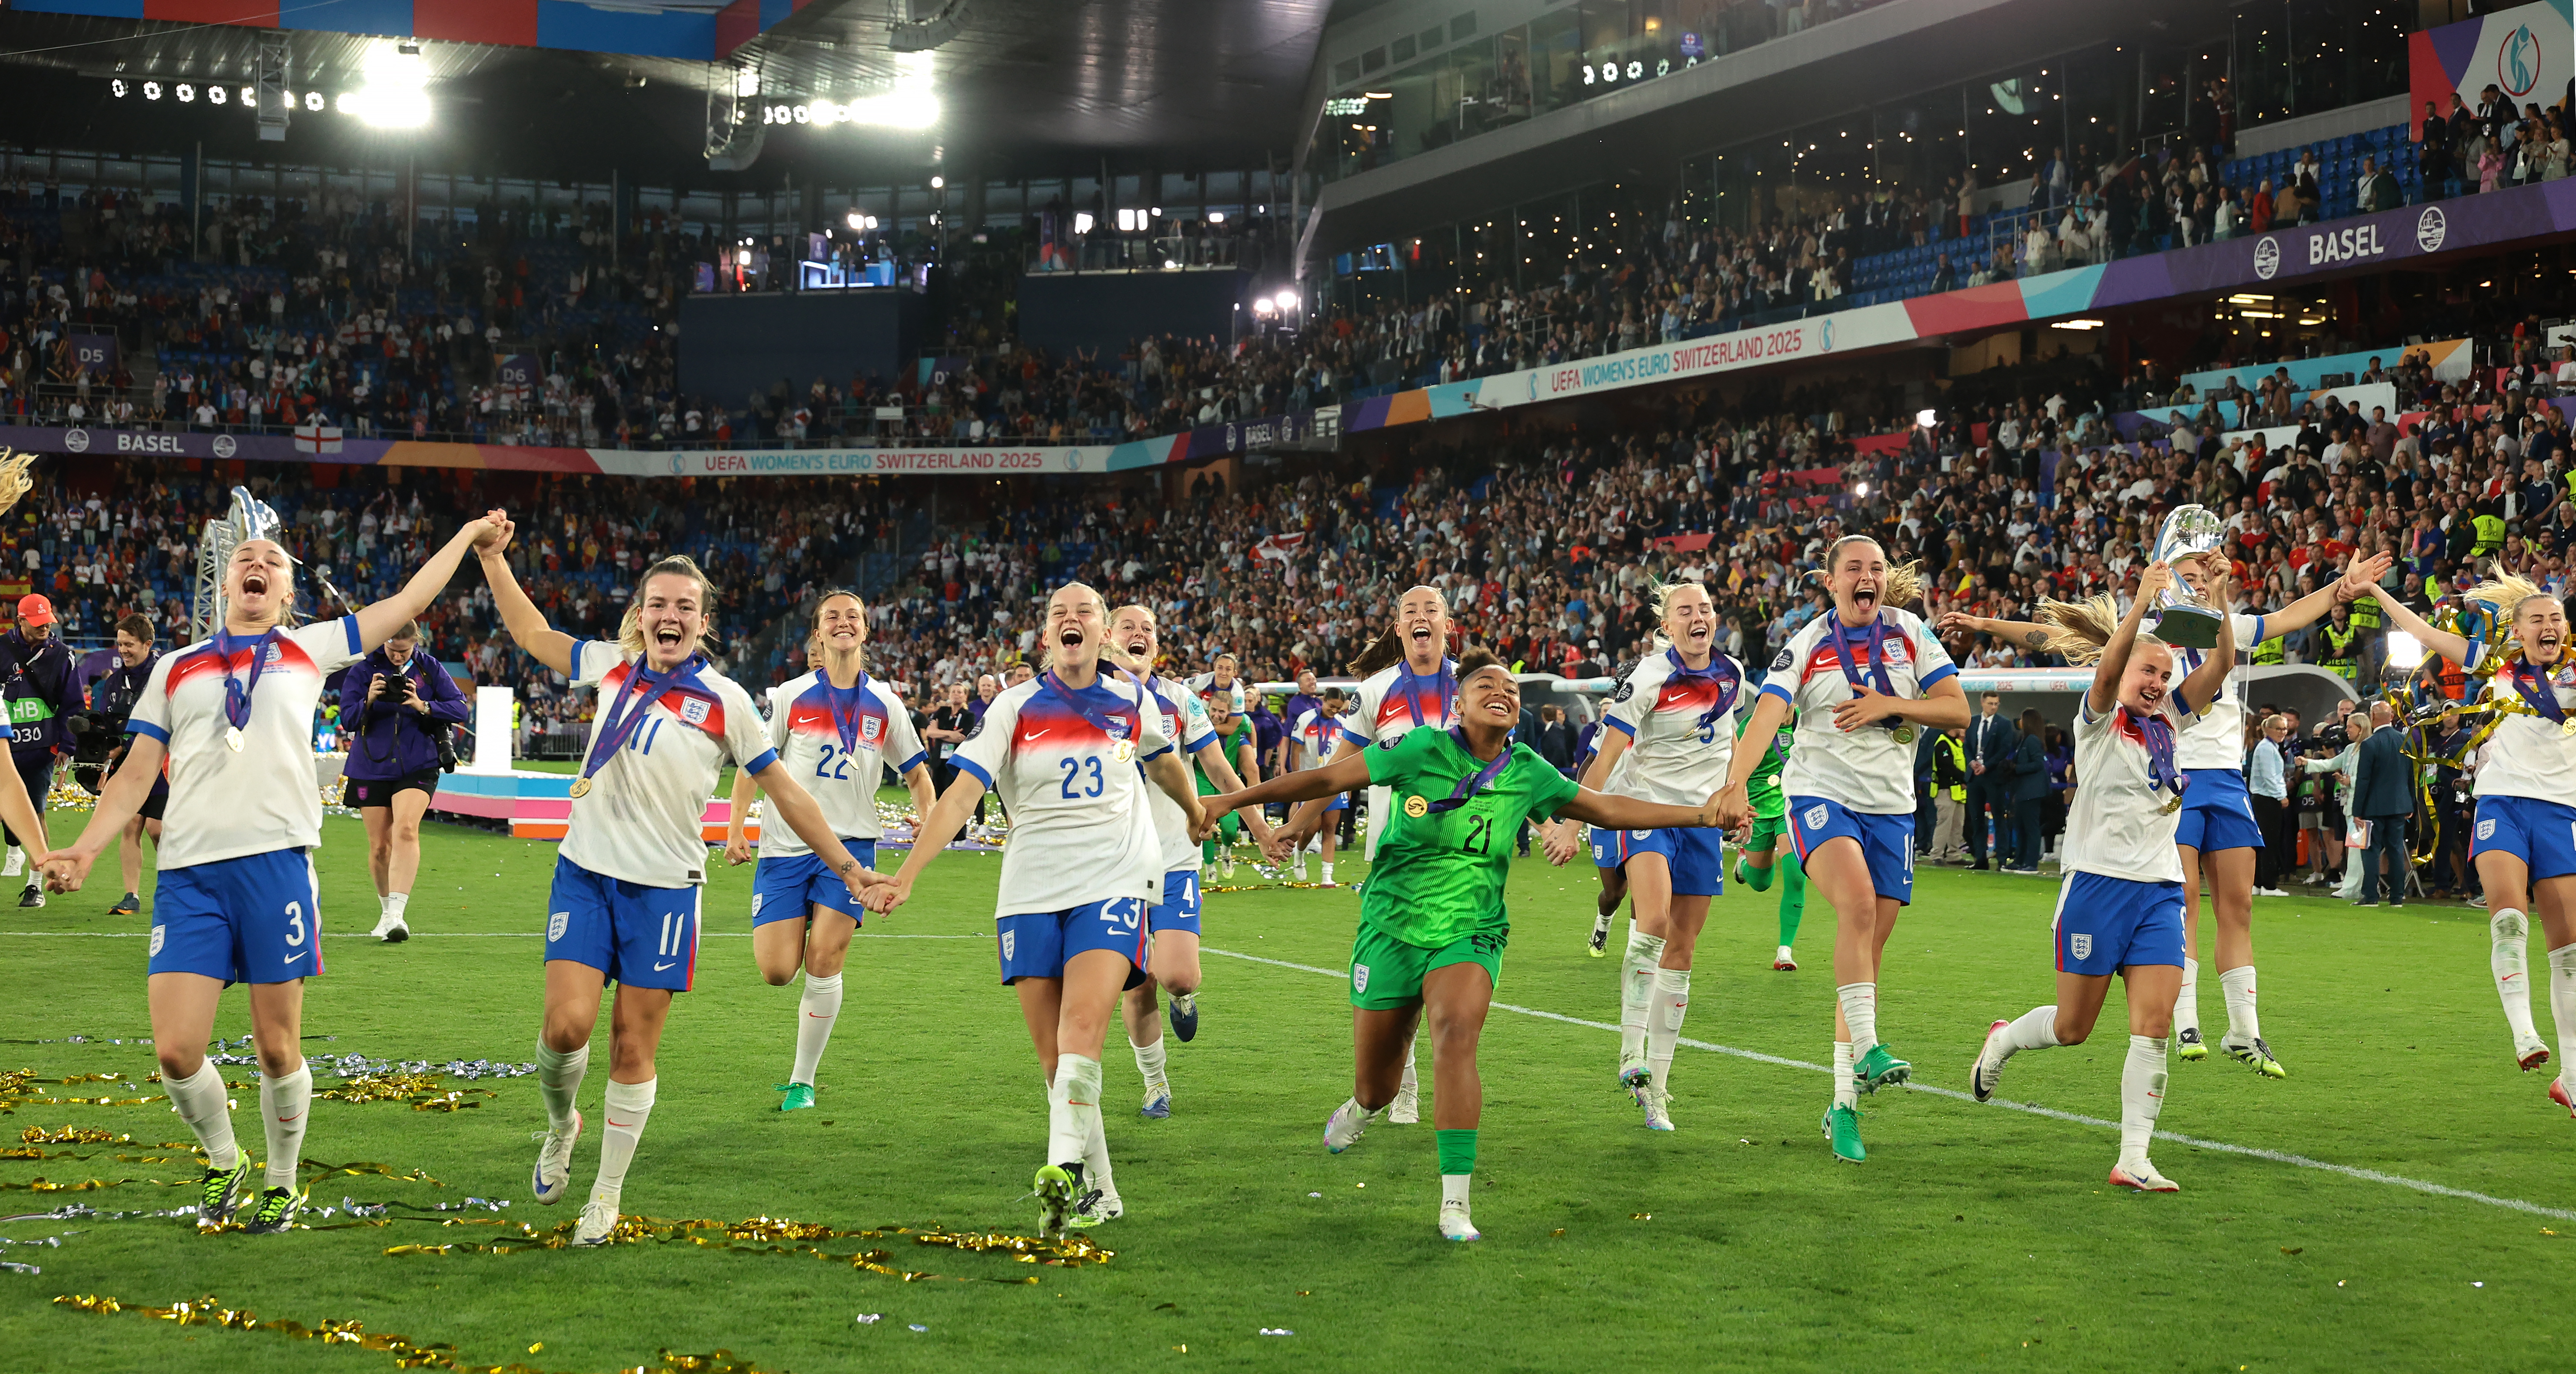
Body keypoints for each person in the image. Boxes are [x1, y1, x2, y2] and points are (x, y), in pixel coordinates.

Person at [39, 512, 501, 1236]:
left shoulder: (309, 647)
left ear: (286, 593)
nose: (258, 562)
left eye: (273, 561)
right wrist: (88, 848)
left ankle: (283, 1184)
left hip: (276, 867)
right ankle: (228, 1160)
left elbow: (410, 600)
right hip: (190, 875)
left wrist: (469, 533)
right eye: (246, 558)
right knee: (176, 1050)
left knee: (276, 1046)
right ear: (227, 582)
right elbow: (134, 773)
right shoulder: (176, 666)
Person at [1212, 649, 1728, 1240]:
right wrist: (1234, 802)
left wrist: (1700, 815)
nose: (1503, 691)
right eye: (1487, 683)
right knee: (1375, 1086)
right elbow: (1329, 777)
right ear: (1458, 702)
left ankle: (1454, 1201)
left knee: (1456, 1035)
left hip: (1471, 930)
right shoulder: (1417, 749)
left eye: (1511, 688)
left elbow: (1605, 808)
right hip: (1390, 928)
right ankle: (1360, 1109)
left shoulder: (1527, 769)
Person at [476, 519, 889, 1246]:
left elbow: (788, 794)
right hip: (585, 873)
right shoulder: (609, 665)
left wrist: (850, 867)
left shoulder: (726, 701)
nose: (670, 617)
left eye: (685, 607)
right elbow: (533, 632)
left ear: (703, 621)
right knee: (565, 1029)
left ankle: (605, 1193)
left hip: (666, 892)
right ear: (640, 616)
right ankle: (559, 1123)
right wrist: (491, 559)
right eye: (657, 604)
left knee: (633, 1048)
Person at [1947, 550, 2388, 1077]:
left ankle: (2238, 1028)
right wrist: (1984, 624)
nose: (2200, 583)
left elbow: (2287, 618)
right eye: (2191, 575)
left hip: (2215, 772)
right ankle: (2185, 1021)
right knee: (2173, 912)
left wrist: (2341, 587)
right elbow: (2054, 636)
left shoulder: (2224, 626)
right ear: (2166, 580)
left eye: (2207, 576)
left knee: (2233, 905)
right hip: (2158, 781)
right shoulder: (2141, 635)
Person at [864, 584, 1205, 1238]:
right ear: (1046, 636)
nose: (1071, 620)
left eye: (1084, 612)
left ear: (1103, 634)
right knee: (1056, 1059)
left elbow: (1163, 763)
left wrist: (1194, 812)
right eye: (1058, 614)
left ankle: (1060, 1172)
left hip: (1113, 881)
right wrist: (907, 872)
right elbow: (963, 793)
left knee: (1081, 1031)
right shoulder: (1013, 707)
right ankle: (1100, 1191)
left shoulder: (1134, 699)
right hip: (1028, 890)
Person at [1969, 565, 2235, 1192]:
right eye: (2149, 673)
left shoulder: (2171, 721)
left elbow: (2222, 666)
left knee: (2153, 1025)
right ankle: (2005, 1040)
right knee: (2073, 1028)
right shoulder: (2095, 721)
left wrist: (2219, 602)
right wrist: (2142, 601)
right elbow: (2108, 670)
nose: (2157, 683)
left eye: (2165, 676)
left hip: (2159, 892)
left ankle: (2134, 1157)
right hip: (2095, 886)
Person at [1721, 536, 1968, 1164]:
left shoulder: (1910, 632)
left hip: (1892, 810)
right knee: (1856, 907)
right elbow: (1766, 717)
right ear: (1828, 582)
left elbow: (1956, 711)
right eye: (1853, 569)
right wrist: (1732, 786)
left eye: (1876, 569)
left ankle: (1843, 1107)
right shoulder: (1804, 644)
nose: (1867, 577)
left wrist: (1890, 704)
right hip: (1819, 794)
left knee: (1865, 955)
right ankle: (1870, 1047)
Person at [722, 592, 936, 1113]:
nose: (843, 624)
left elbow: (916, 774)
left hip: (852, 850)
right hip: (783, 847)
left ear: (866, 631)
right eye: (831, 617)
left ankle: (802, 1081)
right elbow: (754, 765)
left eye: (853, 617)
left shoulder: (886, 703)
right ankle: (798, 930)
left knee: (824, 959)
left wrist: (927, 819)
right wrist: (735, 829)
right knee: (777, 970)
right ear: (817, 633)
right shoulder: (791, 695)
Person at [2373, 579, 2576, 1090]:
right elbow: (2420, 629)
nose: (2548, 625)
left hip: (2561, 813)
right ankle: (2524, 1033)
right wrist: (2375, 590)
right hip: (2503, 804)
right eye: (2537, 618)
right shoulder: (2495, 664)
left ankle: (2572, 1075)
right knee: (2508, 921)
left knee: (2569, 952)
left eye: (2555, 618)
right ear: (2516, 629)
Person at [1553, 582, 1743, 1129]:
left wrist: (1739, 796)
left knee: (1681, 952)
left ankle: (1655, 1087)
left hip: (1701, 823)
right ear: (1667, 624)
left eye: (1705, 608)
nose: (1698, 616)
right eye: (1685, 610)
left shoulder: (1732, 675)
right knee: (1653, 919)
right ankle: (1630, 1051)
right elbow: (1608, 751)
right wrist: (1571, 821)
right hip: (1647, 813)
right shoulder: (1648, 676)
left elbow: (1732, 745)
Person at [1277, 585, 1461, 1124]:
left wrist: (1550, 822)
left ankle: (1417, 1087)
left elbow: (1510, 765)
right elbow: (1334, 772)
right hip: (1396, 856)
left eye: (1432, 610)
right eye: (1411, 612)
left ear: (1447, 624)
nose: (1421, 617)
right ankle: (1404, 1086)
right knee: (1400, 979)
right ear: (1399, 627)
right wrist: (1296, 822)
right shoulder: (1376, 691)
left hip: (1462, 858)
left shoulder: (1473, 686)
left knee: (1448, 980)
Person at [1109, 605, 1275, 1117]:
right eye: (1128, 628)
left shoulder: (1179, 700)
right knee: (1136, 983)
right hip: (1110, 867)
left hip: (1174, 858)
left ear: (1156, 645)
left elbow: (1222, 773)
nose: (1139, 635)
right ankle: (1155, 1083)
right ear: (1106, 640)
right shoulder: (1083, 699)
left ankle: (1183, 996)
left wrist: (1263, 829)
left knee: (1176, 975)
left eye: (1148, 630)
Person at [339, 620, 469, 943]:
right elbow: (347, 719)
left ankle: (397, 913)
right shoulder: (363, 670)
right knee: (380, 846)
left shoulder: (429, 668)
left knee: (407, 829)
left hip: (418, 762)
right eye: (393, 650)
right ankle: (386, 913)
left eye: (405, 651)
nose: (398, 657)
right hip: (371, 763)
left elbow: (460, 708)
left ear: (416, 643)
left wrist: (423, 705)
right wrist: (368, 699)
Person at [1, 593, 78, 908]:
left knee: (36, 812)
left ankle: (36, 886)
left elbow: (72, 704)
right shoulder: (2, 649)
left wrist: (67, 745)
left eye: (48, 622)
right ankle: (15, 851)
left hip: (41, 748)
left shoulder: (62, 655)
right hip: (5, 744)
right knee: (9, 808)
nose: (45, 627)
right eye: (37, 623)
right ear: (20, 621)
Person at [89, 615, 168, 917]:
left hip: (162, 765)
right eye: (120, 643)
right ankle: (131, 896)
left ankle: (179, 886)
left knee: (157, 828)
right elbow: (108, 724)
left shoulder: (163, 676)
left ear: (148, 644)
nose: (123, 649)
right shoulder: (113, 682)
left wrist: (125, 744)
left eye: (130, 644)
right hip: (127, 767)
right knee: (132, 825)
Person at [1734, 703, 1807, 970]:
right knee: (1761, 883)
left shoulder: (1806, 720)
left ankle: (1785, 950)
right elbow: (1735, 768)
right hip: (1757, 808)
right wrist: (1739, 805)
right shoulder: (1751, 725)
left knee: (1796, 875)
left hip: (1792, 806)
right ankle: (1744, 865)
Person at [1196, 680, 1262, 881]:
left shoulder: (1240, 722)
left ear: (1230, 712)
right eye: (1214, 710)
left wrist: (1253, 751)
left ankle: (1225, 852)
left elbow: (1250, 726)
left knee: (1230, 829)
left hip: (1228, 779)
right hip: (1203, 777)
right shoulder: (1199, 721)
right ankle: (1209, 867)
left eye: (1222, 712)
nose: (1216, 715)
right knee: (1205, 824)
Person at [1286, 687, 1351, 885]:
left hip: (1335, 782)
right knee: (1311, 827)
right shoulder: (1306, 719)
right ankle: (1299, 854)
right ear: (1324, 700)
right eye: (1332, 706)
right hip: (1311, 781)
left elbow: (1349, 757)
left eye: (1339, 709)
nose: (1334, 711)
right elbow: (1295, 751)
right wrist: (1297, 779)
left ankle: (1327, 876)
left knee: (1331, 827)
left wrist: (1348, 785)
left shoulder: (1344, 724)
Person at [2348, 702, 2410, 907]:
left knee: (2371, 850)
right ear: (2392, 716)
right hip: (2400, 805)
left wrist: (2357, 810)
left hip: (2373, 807)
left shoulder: (2370, 744)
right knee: (2395, 850)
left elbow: (2364, 780)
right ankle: (2397, 896)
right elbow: (2411, 775)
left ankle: (2371, 896)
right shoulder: (2406, 741)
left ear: (2372, 717)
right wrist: (2410, 804)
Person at [1960, 692, 2015, 871]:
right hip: (1975, 777)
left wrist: (1987, 766)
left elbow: (2004, 749)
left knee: (1999, 818)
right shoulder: (1973, 722)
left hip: (1993, 777)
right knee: (1976, 819)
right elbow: (1967, 746)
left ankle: (2002, 860)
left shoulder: (2004, 724)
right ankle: (1980, 859)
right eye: (1991, 703)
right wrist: (1971, 763)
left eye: (1997, 704)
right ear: (1982, 703)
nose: (1994, 707)